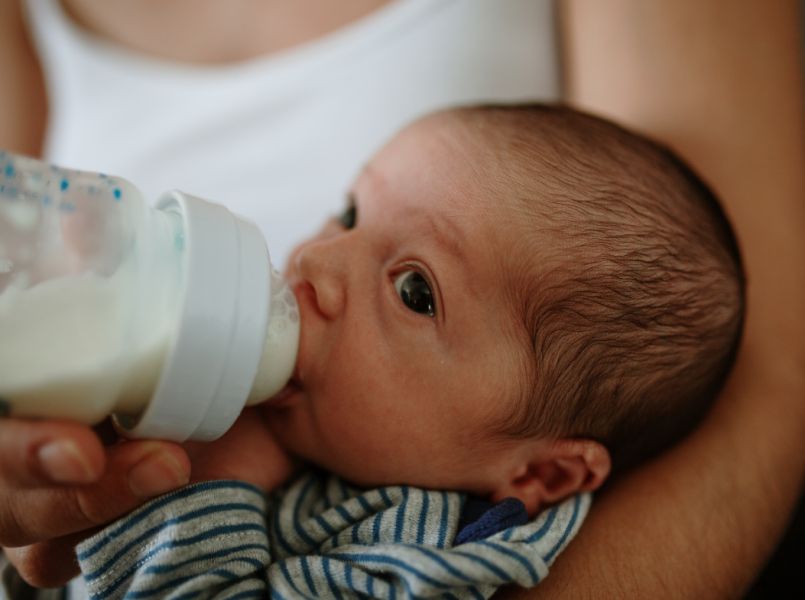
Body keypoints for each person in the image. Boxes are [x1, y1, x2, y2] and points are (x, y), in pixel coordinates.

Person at [0, 0, 803, 597]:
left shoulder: (427, 551)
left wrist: (221, 479)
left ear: (545, 472)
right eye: (349, 213)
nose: (313, 261)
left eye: (415, 291)